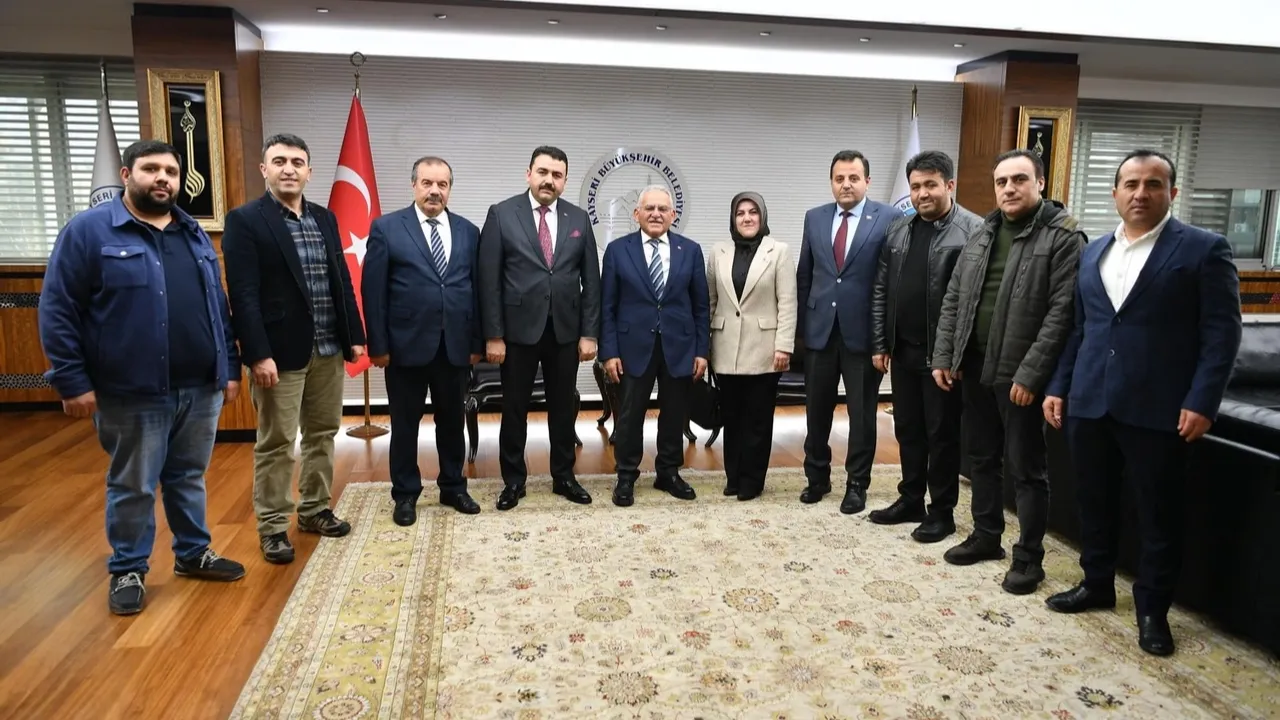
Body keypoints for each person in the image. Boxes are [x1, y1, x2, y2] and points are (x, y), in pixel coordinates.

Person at [1043, 149, 1242, 656]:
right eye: (1130, 184)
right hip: (1090, 400)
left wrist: (1203, 400)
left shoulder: (1203, 250)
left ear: (1172, 192)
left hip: (1160, 407)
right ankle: (1096, 584)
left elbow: (1221, 335)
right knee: (1093, 501)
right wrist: (1059, 385)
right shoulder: (1095, 251)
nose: (1140, 193)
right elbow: (1081, 328)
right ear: (1115, 193)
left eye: (1153, 184)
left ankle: (1153, 610)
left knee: (1158, 513)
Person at [39, 139, 245, 615]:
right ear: (127, 175)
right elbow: (58, 308)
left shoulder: (191, 231)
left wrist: (229, 368)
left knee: (188, 476)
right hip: (130, 391)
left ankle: (192, 553)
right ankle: (128, 567)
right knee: (133, 483)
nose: (162, 179)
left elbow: (216, 306)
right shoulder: (89, 231)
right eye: (151, 169)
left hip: (200, 386)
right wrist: (71, 380)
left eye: (171, 171)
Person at [931, 148, 1085, 595]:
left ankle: (1029, 559)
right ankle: (986, 536)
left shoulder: (1064, 236)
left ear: (1041, 183)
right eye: (1002, 182)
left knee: (1026, 469)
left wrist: (1031, 375)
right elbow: (955, 298)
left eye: (1019, 179)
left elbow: (1062, 314)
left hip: (1019, 375)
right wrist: (945, 355)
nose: (1009, 188)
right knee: (981, 457)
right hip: (975, 366)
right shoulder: (983, 232)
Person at [221, 133, 366, 564]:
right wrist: (256, 354)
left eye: (297, 162)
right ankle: (272, 526)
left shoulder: (324, 218)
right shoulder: (245, 221)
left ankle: (315, 509)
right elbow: (243, 294)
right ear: (264, 169)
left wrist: (355, 334)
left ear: (309, 172)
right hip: (278, 355)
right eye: (280, 161)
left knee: (322, 434)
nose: (289, 169)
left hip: (328, 347)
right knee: (278, 442)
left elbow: (341, 279)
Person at [478, 146, 601, 510]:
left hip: (565, 331)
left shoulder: (579, 218)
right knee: (514, 407)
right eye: (543, 172)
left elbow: (591, 281)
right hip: (517, 333)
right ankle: (514, 481)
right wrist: (494, 335)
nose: (549, 180)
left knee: (563, 407)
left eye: (557, 175)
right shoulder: (502, 214)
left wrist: (589, 333)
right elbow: (489, 280)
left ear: (565, 180)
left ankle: (564, 476)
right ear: (528, 173)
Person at [362, 156, 483, 526]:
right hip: (404, 347)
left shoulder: (468, 231)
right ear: (414, 185)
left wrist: (476, 342)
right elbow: (373, 291)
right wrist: (378, 345)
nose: (434, 191)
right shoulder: (387, 228)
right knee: (405, 425)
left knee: (452, 422)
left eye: (442, 184)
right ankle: (405, 494)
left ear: (449, 189)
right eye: (427, 183)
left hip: (454, 346)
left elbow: (476, 291)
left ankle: (453, 487)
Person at [869, 150, 981, 543]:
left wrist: (953, 355)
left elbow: (971, 302)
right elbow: (882, 289)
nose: (922, 194)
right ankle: (911, 499)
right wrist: (881, 342)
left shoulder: (972, 231)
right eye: (915, 186)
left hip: (942, 358)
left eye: (930, 185)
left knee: (942, 435)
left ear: (949, 185)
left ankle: (942, 512)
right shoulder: (899, 229)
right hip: (904, 351)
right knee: (908, 429)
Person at [796, 150, 896, 513]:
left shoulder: (889, 218)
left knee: (862, 413)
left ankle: (857, 484)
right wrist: (801, 334)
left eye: (854, 178)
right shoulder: (815, 217)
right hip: (820, 332)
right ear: (832, 182)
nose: (846, 185)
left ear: (867, 181)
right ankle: (816, 478)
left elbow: (891, 282)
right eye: (839, 179)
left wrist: (884, 340)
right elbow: (805, 275)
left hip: (864, 336)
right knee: (816, 411)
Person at [601, 185, 710, 507]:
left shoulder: (690, 250)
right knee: (630, 414)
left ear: (673, 215)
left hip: (680, 345)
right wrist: (609, 352)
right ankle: (626, 475)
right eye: (649, 208)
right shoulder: (617, 251)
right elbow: (607, 307)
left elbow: (701, 306)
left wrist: (701, 351)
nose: (656, 214)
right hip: (632, 346)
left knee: (675, 412)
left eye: (663, 209)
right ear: (636, 214)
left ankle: (668, 472)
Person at [706, 191, 796, 500]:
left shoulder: (779, 251)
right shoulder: (718, 252)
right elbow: (710, 301)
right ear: (733, 219)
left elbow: (788, 303)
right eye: (740, 213)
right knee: (731, 417)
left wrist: (784, 346)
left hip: (765, 350)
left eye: (753, 212)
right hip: (725, 348)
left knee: (757, 420)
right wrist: (704, 346)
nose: (747, 218)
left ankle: (752, 481)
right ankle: (733, 477)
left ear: (763, 216)